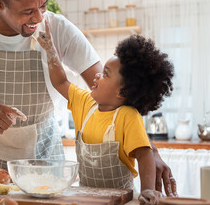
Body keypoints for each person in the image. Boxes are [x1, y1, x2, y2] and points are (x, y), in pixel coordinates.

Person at [0, 0, 177, 197]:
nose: (39, 18)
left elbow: (118, 96)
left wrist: (149, 151)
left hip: (47, 172)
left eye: (43, 6)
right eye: (28, 11)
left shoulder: (59, 30)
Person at [37, 28, 173, 203]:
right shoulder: (85, 103)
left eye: (105, 74)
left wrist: (148, 191)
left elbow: (144, 154)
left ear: (122, 92)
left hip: (121, 200)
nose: (97, 76)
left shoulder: (127, 116)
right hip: (87, 198)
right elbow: (60, 82)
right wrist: (50, 51)